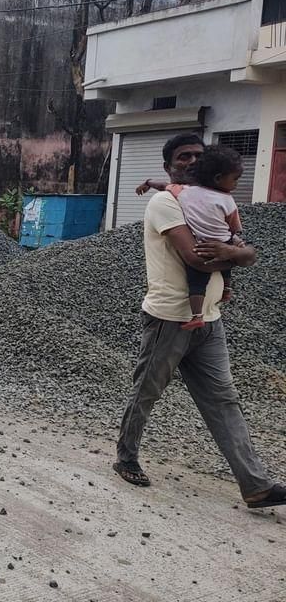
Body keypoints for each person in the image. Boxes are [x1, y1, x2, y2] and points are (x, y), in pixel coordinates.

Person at [114, 133, 285, 509]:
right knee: (148, 390)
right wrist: (237, 256)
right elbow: (197, 259)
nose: (192, 161)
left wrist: (239, 254)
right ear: (168, 167)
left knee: (224, 399)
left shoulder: (214, 201)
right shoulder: (164, 202)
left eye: (198, 155)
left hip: (209, 320)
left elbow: (245, 248)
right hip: (169, 318)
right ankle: (126, 455)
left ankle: (256, 486)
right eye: (182, 157)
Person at [163, 146, 245, 330]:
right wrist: (236, 248)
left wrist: (147, 183)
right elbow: (234, 226)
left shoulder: (184, 192)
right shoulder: (228, 200)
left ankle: (196, 315)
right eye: (235, 179)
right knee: (225, 267)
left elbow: (165, 186)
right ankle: (226, 290)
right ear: (218, 178)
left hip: (204, 245)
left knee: (196, 282)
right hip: (224, 241)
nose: (236, 184)